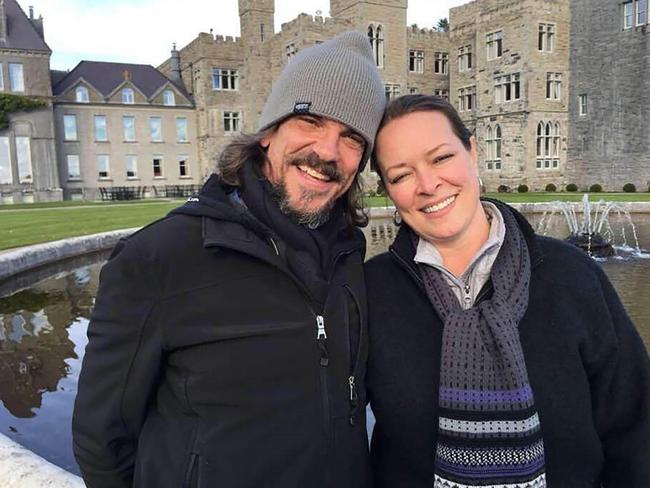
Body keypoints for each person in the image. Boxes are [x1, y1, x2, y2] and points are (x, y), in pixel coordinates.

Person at [72, 31, 386, 488]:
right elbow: (102, 442)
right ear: (268, 134)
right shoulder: (160, 258)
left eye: (352, 137)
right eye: (311, 122)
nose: (328, 152)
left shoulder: (347, 253)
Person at [366, 94, 650, 488]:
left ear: (473, 152)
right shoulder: (370, 292)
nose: (428, 184)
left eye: (441, 158)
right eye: (401, 175)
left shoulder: (573, 276)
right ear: (387, 190)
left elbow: (635, 431)